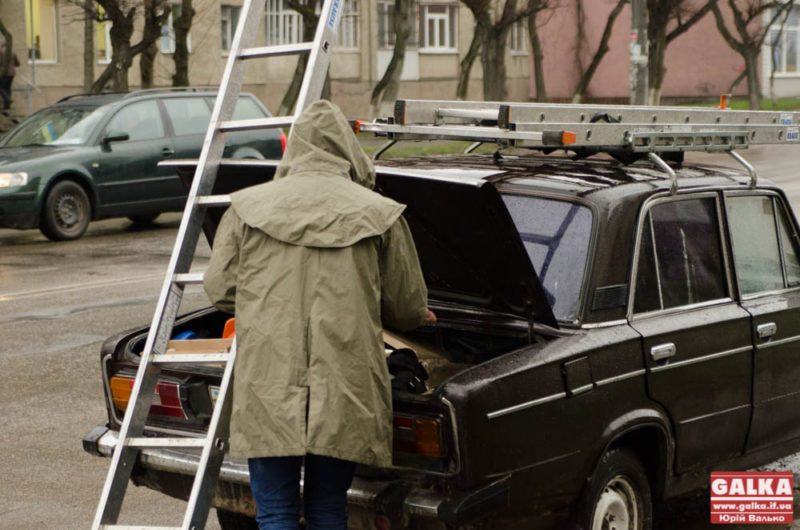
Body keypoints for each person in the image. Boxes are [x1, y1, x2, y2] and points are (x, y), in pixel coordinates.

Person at [203, 100, 435, 530]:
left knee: (275, 512)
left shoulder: (245, 208)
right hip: (344, 384)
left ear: (294, 147)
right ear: (347, 148)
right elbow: (404, 309)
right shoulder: (381, 213)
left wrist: (268, 301)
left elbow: (220, 290)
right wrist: (418, 314)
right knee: (329, 509)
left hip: (269, 381)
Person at [0, 40, 20, 111]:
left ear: (2, 44)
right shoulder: (12, 52)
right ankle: (7, 106)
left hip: (4, 73)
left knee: (1, 88)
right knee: (7, 88)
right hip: (12, 73)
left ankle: (8, 99)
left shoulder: (1, 51)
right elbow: (17, 63)